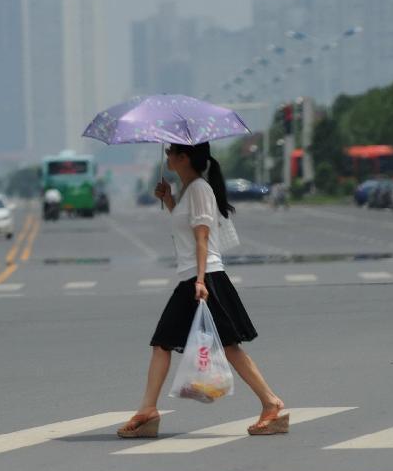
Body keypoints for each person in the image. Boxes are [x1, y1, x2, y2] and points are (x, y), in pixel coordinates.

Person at [117, 142, 287, 439]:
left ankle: (271, 403)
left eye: (171, 152)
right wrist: (170, 200)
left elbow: (202, 238)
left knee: (226, 345)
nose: (167, 156)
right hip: (195, 277)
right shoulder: (189, 191)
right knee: (164, 342)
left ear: (185, 157)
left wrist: (199, 282)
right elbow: (187, 231)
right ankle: (147, 411)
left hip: (204, 277)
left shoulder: (198, 189)